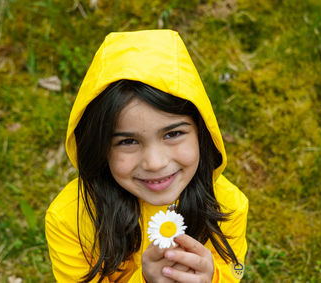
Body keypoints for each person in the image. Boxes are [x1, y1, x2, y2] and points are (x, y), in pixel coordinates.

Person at [45, 29, 248, 283]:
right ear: (99, 147)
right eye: (128, 141)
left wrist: (213, 279)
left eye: (173, 134)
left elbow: (230, 273)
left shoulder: (228, 206)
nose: (155, 163)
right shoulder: (69, 220)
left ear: (202, 131)